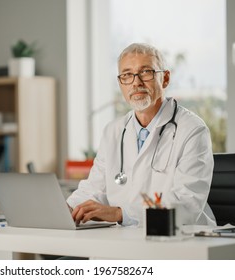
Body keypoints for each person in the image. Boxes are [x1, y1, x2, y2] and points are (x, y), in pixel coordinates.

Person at [66, 42, 216, 227]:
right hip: (124, 242)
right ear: (121, 83)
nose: (136, 82)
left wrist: (121, 214)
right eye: (127, 75)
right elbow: (94, 188)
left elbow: (187, 203)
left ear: (165, 78)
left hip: (178, 241)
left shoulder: (192, 130)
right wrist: (67, 208)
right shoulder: (113, 131)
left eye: (146, 72)